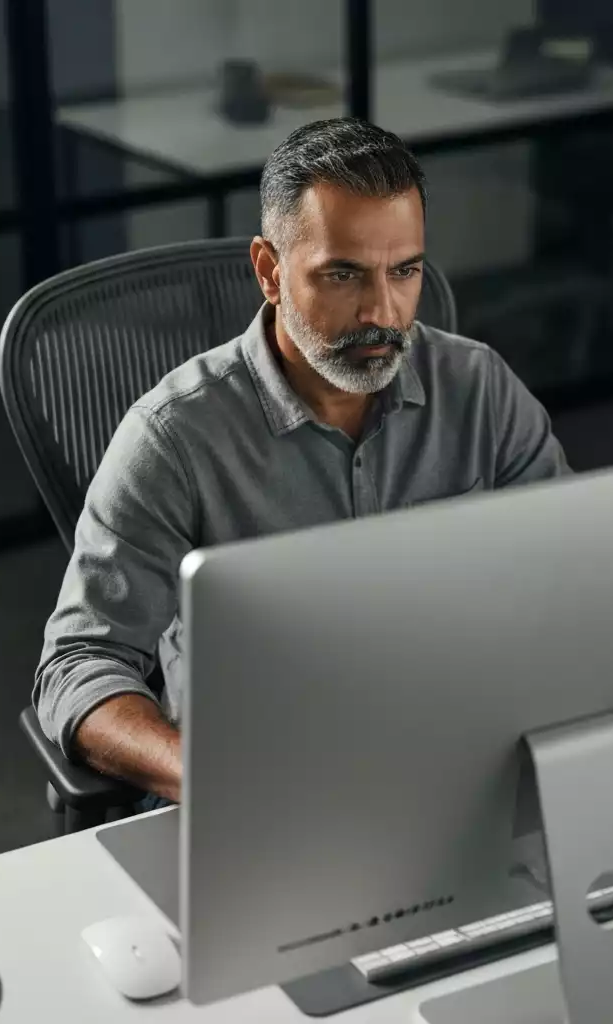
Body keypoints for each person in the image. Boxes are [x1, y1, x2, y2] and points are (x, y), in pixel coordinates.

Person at [34, 117, 569, 805]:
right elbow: (80, 664)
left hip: (453, 765)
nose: (383, 311)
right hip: (266, 787)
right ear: (270, 271)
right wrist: (219, 781)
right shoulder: (172, 438)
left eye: (404, 272)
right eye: (343, 274)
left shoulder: (480, 389)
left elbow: (568, 587)